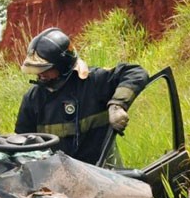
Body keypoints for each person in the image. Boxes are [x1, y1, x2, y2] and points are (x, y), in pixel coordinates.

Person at [15, 27, 149, 165]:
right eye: (37, 70)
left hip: (106, 176)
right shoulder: (33, 99)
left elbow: (136, 73)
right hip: (59, 180)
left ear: (62, 65)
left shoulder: (94, 82)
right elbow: (23, 144)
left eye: (45, 69)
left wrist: (118, 105)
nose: (40, 75)